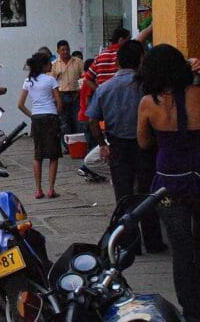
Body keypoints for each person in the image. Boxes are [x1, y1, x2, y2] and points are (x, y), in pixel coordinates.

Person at [138, 44, 200, 322]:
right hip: (197, 177)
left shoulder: (149, 103)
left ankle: (191, 309)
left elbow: (143, 142)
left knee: (181, 251)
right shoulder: (198, 94)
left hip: (168, 183)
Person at [88, 40, 166, 253]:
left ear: (118, 62)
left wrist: (102, 144)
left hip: (118, 146)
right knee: (147, 194)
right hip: (145, 145)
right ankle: (153, 241)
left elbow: (92, 119)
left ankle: (129, 243)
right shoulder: (146, 86)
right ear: (140, 60)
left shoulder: (104, 88)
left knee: (124, 197)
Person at [17, 52, 63, 199]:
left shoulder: (28, 81)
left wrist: (32, 115)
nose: (51, 65)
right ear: (44, 65)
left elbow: (20, 104)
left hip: (37, 118)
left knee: (38, 155)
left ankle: (38, 189)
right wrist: (56, 113)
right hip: (50, 117)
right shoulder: (51, 80)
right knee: (53, 155)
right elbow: (59, 102)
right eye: (49, 63)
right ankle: (51, 189)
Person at [85, 25, 152, 91]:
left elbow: (87, 79)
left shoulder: (99, 57)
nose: (130, 42)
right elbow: (139, 39)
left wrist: (99, 90)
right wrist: (151, 26)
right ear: (121, 40)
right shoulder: (125, 54)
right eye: (129, 39)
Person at [50, 40, 83, 138]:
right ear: (58, 51)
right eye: (62, 50)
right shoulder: (54, 65)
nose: (65, 52)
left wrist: (80, 91)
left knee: (78, 120)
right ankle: (67, 145)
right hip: (61, 96)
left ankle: (79, 142)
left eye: (67, 49)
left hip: (75, 95)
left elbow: (83, 78)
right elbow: (51, 82)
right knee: (64, 122)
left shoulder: (78, 62)